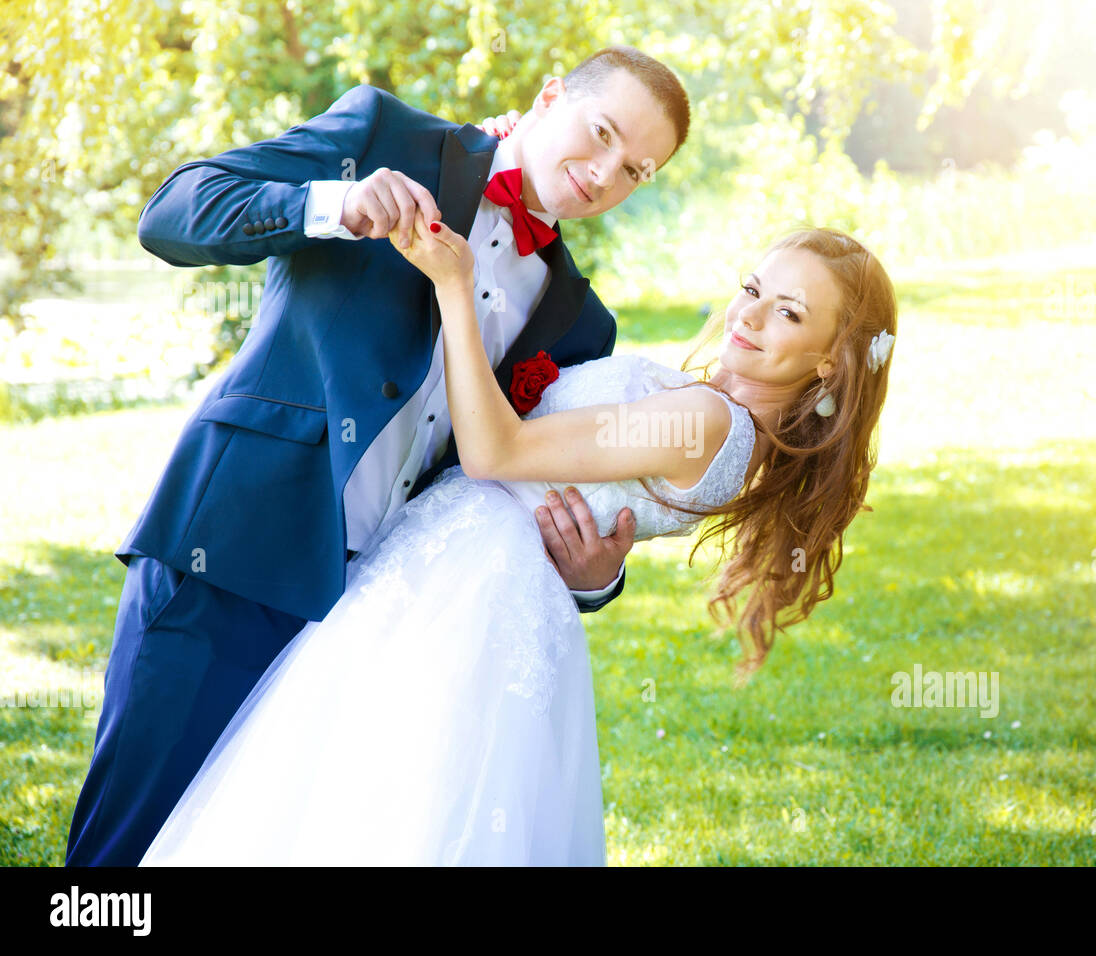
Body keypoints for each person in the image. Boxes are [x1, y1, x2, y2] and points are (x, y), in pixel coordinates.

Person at [65, 45, 691, 866]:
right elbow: (174, 212)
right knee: (129, 842)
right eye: (601, 132)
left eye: (637, 171)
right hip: (230, 550)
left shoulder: (581, 324)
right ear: (548, 98)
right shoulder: (384, 134)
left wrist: (595, 575)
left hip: (374, 616)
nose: (607, 173)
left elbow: (524, 479)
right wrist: (330, 204)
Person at [139, 222, 898, 865]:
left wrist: (453, 286)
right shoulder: (727, 428)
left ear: (830, 359)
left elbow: (495, 453)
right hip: (467, 580)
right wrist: (596, 578)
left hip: (468, 595)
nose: (752, 316)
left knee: (367, 801)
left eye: (790, 314)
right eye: (753, 288)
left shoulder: (710, 423)